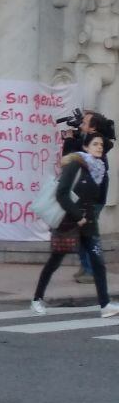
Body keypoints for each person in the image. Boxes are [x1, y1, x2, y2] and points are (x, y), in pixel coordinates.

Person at [32, 132, 119, 317]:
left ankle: (105, 305)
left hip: (88, 225)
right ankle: (36, 299)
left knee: (98, 262)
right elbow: (61, 193)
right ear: (86, 147)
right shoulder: (75, 165)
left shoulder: (100, 170)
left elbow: (97, 198)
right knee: (54, 262)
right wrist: (78, 215)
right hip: (69, 224)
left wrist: (89, 217)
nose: (99, 147)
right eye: (95, 144)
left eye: (101, 145)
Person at [61, 111, 114, 285]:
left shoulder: (95, 142)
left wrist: (69, 139)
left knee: (89, 235)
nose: (81, 124)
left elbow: (69, 157)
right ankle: (86, 268)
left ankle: (92, 270)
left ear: (94, 127)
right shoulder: (93, 139)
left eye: (84, 122)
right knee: (84, 235)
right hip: (88, 197)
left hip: (93, 198)